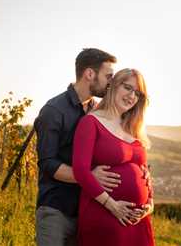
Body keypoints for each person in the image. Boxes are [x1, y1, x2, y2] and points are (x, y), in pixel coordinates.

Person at [34, 48, 127, 246]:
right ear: (89, 74)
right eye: (108, 76)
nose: (112, 82)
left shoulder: (99, 112)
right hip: (56, 211)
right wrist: (87, 176)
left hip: (88, 210)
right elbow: (47, 163)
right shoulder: (53, 111)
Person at [72, 68, 155, 246]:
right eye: (128, 88)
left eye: (138, 93)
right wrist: (113, 206)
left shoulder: (133, 128)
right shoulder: (91, 122)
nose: (132, 96)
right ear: (113, 86)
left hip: (137, 222)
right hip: (105, 215)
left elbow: (145, 173)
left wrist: (150, 204)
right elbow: (80, 171)